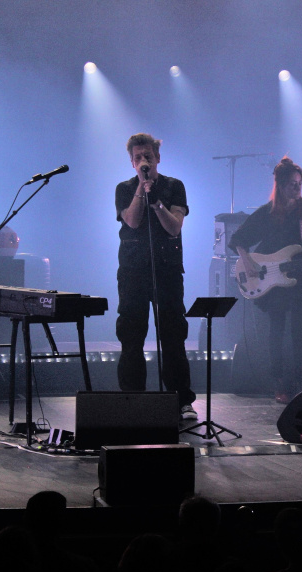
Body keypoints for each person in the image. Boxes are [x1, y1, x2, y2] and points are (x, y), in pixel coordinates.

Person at [228, 157, 302, 403]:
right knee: (275, 332)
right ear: (280, 185)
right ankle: (279, 384)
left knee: (299, 334)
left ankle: (301, 384)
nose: (297, 188)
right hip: (273, 283)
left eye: (299, 184)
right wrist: (248, 261)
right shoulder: (267, 213)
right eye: (292, 184)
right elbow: (238, 239)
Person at [115, 133, 197, 420]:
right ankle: (133, 398)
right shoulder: (124, 189)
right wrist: (141, 187)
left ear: (157, 157)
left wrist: (157, 202)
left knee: (173, 333)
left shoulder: (175, 187)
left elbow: (174, 228)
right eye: (138, 157)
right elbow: (132, 220)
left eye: (147, 156)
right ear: (132, 161)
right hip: (133, 271)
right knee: (131, 334)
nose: (143, 161)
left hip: (167, 270)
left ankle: (181, 400)